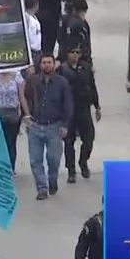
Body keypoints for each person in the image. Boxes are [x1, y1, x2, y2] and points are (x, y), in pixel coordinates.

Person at [24, 53, 73, 201]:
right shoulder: (34, 81)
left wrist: (65, 125)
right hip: (35, 124)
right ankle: (42, 188)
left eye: (49, 62)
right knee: (35, 160)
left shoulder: (62, 83)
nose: (46, 65)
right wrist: (26, 117)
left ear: (54, 64)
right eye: (44, 62)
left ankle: (52, 179)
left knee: (53, 158)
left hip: (54, 126)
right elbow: (25, 97)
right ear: (40, 65)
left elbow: (68, 105)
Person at [57, 46, 101, 183]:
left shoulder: (86, 68)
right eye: (72, 52)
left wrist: (97, 106)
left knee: (89, 138)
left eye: (77, 53)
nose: (75, 55)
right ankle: (71, 171)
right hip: (69, 110)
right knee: (69, 141)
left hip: (84, 108)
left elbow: (92, 87)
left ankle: (83, 162)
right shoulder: (62, 70)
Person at [0, 70, 29, 172]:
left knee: (10, 142)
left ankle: (9, 168)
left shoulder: (16, 76)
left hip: (13, 114)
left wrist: (27, 113)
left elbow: (21, 96)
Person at [58, 0, 92, 65]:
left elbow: (59, 38)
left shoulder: (63, 19)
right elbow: (83, 43)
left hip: (63, 56)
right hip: (77, 60)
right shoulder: (80, 23)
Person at [25, 0, 42, 65]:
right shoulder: (27, 17)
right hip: (31, 51)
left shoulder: (34, 17)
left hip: (38, 49)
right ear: (35, 5)